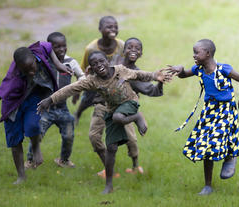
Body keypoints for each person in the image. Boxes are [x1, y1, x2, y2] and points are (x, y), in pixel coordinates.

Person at [37, 51, 171, 194]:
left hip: (129, 103)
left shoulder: (120, 70)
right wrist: (50, 100)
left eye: (101, 61)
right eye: (95, 64)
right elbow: (70, 89)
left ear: (107, 61)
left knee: (118, 118)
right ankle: (109, 185)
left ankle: (137, 117)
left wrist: (155, 75)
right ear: (91, 68)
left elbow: (139, 74)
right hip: (113, 109)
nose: (99, 65)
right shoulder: (93, 81)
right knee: (111, 148)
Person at [0, 41, 71, 184]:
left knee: (33, 126)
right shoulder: (14, 78)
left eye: (31, 67)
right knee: (15, 142)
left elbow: (47, 45)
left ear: (35, 59)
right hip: (13, 105)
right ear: (19, 68)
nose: (31, 72)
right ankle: (21, 176)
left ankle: (35, 148)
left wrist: (58, 64)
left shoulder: (38, 51)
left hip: (33, 98)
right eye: (25, 70)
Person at [167, 39, 239, 195]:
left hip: (225, 110)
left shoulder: (224, 69)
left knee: (219, 138)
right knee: (205, 147)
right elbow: (184, 75)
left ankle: (230, 157)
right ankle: (208, 186)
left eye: (196, 52)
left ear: (208, 53)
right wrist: (180, 70)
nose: (194, 55)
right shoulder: (199, 69)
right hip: (209, 111)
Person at [95, 37, 164, 175]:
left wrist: (160, 81)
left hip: (123, 110)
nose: (133, 51)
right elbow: (97, 71)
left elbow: (154, 91)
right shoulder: (113, 62)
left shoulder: (137, 75)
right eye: (130, 47)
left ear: (141, 54)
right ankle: (107, 168)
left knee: (131, 140)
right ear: (123, 50)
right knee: (94, 137)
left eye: (137, 49)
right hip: (103, 106)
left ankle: (135, 167)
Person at [25, 32, 85, 169]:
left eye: (64, 46)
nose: (62, 49)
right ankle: (31, 160)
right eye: (57, 47)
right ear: (50, 49)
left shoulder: (71, 62)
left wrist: (78, 88)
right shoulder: (44, 62)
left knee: (69, 134)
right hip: (45, 108)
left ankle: (64, 160)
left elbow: (82, 77)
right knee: (37, 134)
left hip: (62, 108)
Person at [74, 15, 124, 125]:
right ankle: (77, 113)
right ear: (100, 29)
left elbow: (126, 66)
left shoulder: (121, 45)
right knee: (87, 100)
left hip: (113, 81)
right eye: (109, 27)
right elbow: (83, 70)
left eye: (115, 27)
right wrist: (77, 90)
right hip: (95, 79)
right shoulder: (91, 48)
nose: (113, 30)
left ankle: (111, 121)